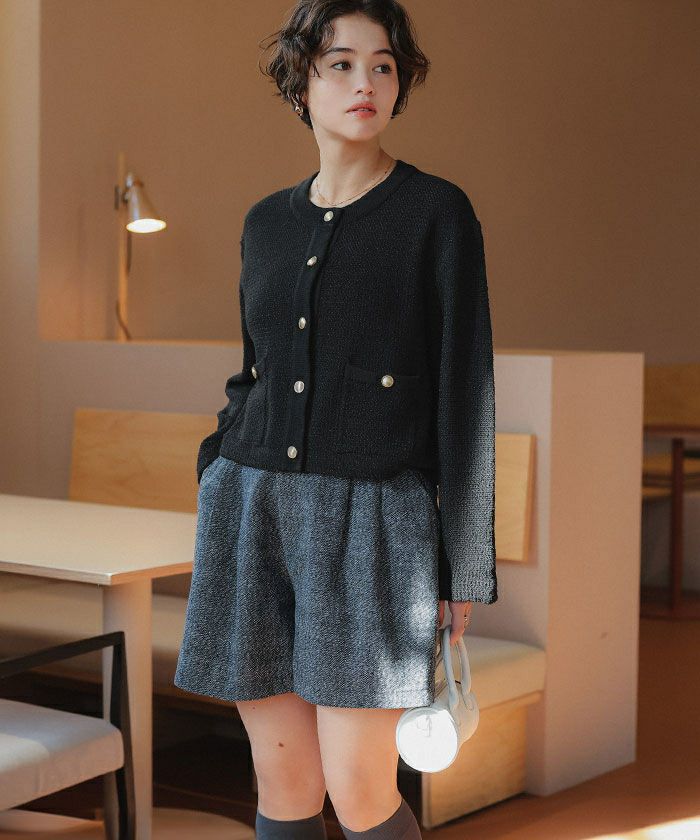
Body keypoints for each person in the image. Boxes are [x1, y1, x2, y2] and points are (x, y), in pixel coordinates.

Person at [174, 1, 498, 837]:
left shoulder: (436, 213)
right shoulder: (264, 224)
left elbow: (466, 395)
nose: (366, 83)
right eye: (342, 64)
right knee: (283, 785)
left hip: (374, 526)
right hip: (251, 511)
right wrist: (217, 467)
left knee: (360, 791)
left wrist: (462, 567)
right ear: (301, 85)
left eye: (383, 65)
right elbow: (252, 371)